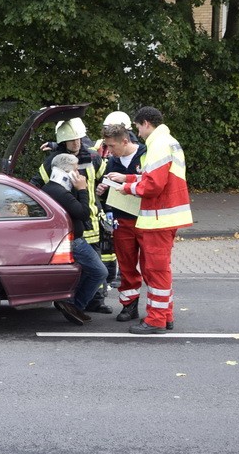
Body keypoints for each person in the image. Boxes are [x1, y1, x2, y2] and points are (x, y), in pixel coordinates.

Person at [105, 106, 192, 334]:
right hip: (162, 216)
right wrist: (129, 177)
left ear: (145, 123)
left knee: (155, 271)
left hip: (158, 217)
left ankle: (156, 321)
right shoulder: (165, 141)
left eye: (137, 127)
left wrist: (126, 186)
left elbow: (152, 185)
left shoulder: (158, 143)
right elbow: (151, 177)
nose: (138, 133)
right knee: (159, 270)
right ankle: (165, 315)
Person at [31, 117, 110, 314]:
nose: (76, 143)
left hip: (92, 218)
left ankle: (95, 301)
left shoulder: (93, 158)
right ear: (63, 141)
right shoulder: (54, 162)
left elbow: (106, 177)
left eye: (79, 139)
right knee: (83, 265)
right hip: (73, 221)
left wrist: (104, 187)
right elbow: (36, 185)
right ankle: (73, 301)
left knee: (97, 261)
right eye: (72, 140)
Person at [43, 152, 108, 325]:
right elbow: (84, 213)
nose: (79, 172)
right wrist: (82, 189)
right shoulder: (60, 192)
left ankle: (71, 302)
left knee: (84, 272)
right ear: (67, 171)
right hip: (75, 241)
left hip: (68, 239)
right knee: (100, 271)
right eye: (76, 168)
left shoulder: (52, 188)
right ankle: (74, 305)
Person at [96, 122, 147, 323]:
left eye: (112, 146)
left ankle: (157, 310)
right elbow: (111, 189)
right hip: (122, 219)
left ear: (125, 141)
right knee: (126, 266)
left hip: (145, 219)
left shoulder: (145, 154)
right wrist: (103, 190)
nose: (109, 151)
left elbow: (153, 181)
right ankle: (129, 305)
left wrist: (126, 181)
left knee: (151, 267)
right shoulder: (112, 161)